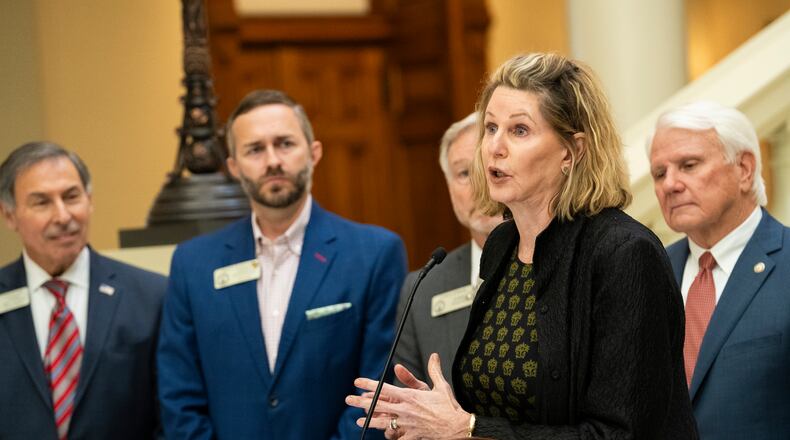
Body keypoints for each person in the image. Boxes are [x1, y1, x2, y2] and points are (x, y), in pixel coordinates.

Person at [347, 52, 698, 439]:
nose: (495, 147)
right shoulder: (503, 246)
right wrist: (432, 418)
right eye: (491, 128)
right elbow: (503, 410)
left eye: (519, 131)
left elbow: (621, 434)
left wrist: (466, 428)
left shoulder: (624, 254)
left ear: (572, 150)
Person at [158, 89, 408, 439]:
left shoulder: (374, 254)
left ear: (314, 153)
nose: (273, 160)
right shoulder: (193, 264)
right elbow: (178, 396)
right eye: (255, 149)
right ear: (233, 167)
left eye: (285, 144)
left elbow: (377, 389)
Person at [0, 142, 166, 440]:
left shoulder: (152, 297)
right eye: (42, 202)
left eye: (71, 197)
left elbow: (171, 414)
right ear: (9, 215)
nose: (63, 216)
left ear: (89, 201)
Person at [648, 101, 790, 439]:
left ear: (743, 168)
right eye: (659, 173)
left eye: (689, 165)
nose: (670, 184)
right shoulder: (648, 272)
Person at [394, 113, 501, 385]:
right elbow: (405, 399)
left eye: (490, 166)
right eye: (465, 173)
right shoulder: (424, 287)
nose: (480, 186)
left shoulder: (566, 264)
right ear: (448, 186)